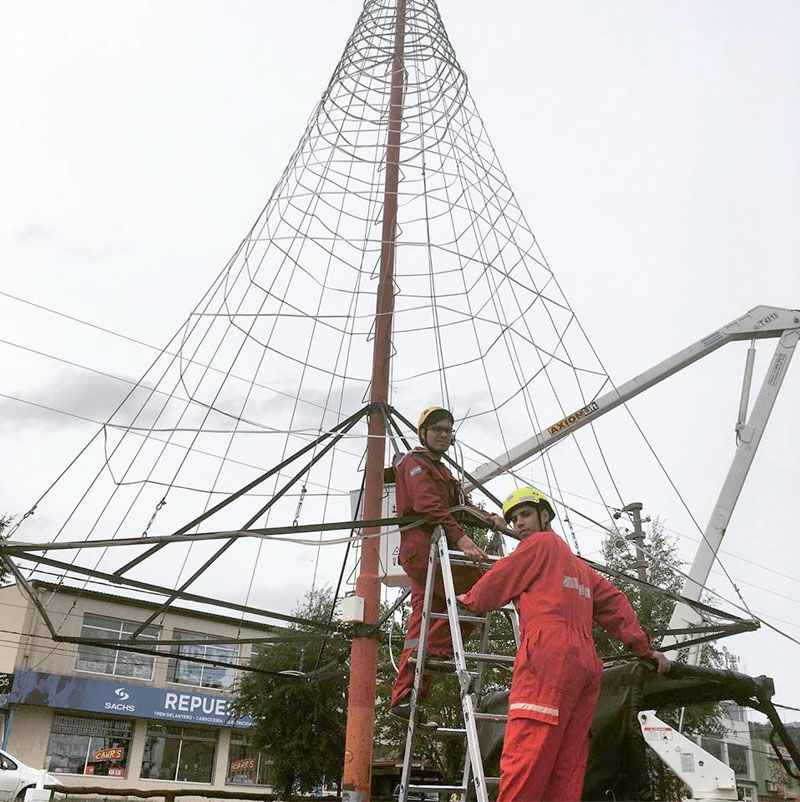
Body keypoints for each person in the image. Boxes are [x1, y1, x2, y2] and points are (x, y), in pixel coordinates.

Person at [457, 486, 670, 802]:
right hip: (585, 668)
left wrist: (465, 600)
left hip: (547, 658)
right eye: (514, 519)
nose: (520, 524)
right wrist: (645, 649)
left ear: (545, 516)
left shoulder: (538, 545)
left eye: (526, 514)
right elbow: (616, 604)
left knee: (527, 755)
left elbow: (497, 581)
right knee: (566, 768)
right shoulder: (579, 568)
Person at [389, 406, 494, 722]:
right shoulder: (414, 463)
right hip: (426, 550)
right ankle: (437, 651)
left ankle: (405, 699)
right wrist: (462, 539)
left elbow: (462, 505)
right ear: (423, 433)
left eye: (449, 431)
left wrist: (492, 520)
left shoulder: (445, 472)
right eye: (438, 429)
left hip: (433, 554)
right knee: (482, 593)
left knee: (419, 627)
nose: (444, 435)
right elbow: (428, 505)